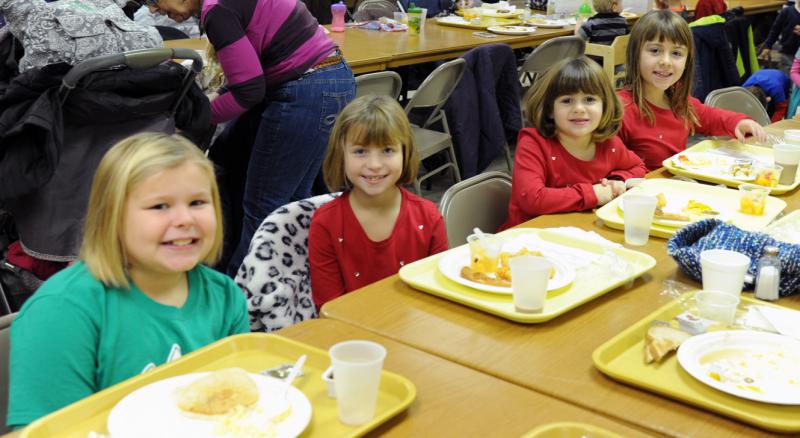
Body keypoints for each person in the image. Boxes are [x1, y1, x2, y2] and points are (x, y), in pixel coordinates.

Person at [7, 133, 250, 427]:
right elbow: (48, 432)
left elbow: (234, 407)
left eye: (198, 202)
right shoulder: (63, 311)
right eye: (159, 206)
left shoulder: (225, 296)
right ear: (111, 218)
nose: (185, 219)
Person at [146, 0, 356, 277]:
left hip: (308, 87)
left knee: (267, 209)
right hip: (326, 80)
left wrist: (195, 118)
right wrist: (210, 104)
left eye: (153, 0)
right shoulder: (220, 6)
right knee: (279, 196)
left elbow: (248, 91)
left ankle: (238, 301)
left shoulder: (217, 10)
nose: (153, 10)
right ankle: (273, 286)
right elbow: (247, 74)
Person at [309, 95, 448, 308]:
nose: (374, 164)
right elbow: (330, 309)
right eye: (360, 151)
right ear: (341, 155)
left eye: (387, 150)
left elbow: (439, 298)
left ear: (405, 152)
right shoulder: (326, 223)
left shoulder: (428, 218)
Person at [500, 56, 648, 230]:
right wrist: (592, 193)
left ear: (605, 106)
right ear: (549, 109)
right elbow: (532, 199)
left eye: (589, 99)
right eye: (567, 100)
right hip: (528, 240)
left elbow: (638, 167)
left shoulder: (609, 144)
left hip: (581, 234)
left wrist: (617, 181)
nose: (579, 108)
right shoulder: (534, 143)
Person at [618, 10, 766, 170]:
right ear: (635, 54)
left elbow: (709, 116)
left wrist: (738, 122)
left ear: (687, 61)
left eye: (676, 53)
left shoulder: (677, 99)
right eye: (655, 51)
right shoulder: (619, 110)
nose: (666, 61)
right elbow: (610, 166)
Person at [758, 0, 800, 74]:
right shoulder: (787, 12)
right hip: (788, 53)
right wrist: (768, 46)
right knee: (788, 78)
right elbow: (775, 29)